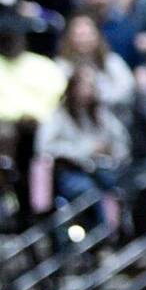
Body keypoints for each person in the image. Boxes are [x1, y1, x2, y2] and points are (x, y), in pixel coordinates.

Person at [39, 67, 129, 213]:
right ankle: (103, 231)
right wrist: (85, 149)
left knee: (122, 186)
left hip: (103, 169)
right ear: (72, 88)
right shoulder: (58, 116)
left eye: (91, 86)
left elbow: (121, 140)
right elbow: (44, 147)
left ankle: (122, 229)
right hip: (71, 171)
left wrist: (112, 151)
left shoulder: (101, 113)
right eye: (83, 85)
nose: (88, 91)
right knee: (88, 191)